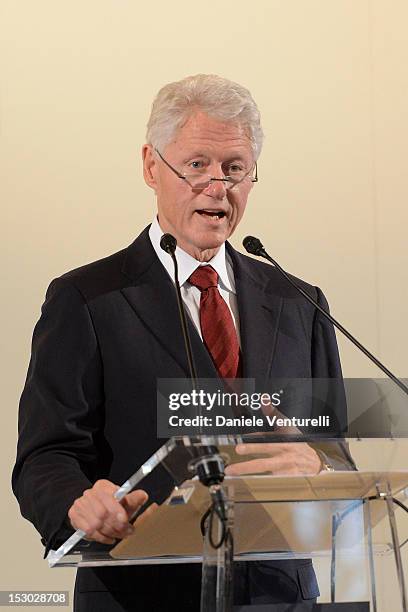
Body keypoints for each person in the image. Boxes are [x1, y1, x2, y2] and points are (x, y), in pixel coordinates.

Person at [12, 74, 353, 611]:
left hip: (277, 595)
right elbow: (46, 454)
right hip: (138, 591)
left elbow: (337, 446)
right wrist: (77, 504)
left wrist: (320, 468)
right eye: (197, 164)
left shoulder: (297, 302)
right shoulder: (86, 298)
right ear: (152, 166)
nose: (218, 186)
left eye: (235, 169)